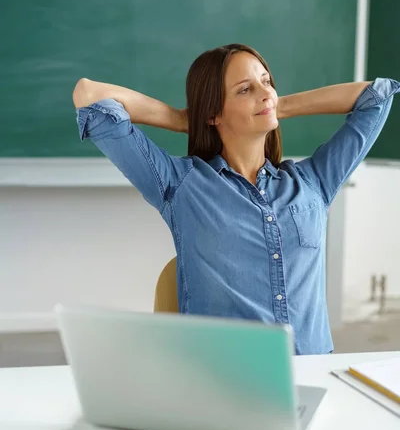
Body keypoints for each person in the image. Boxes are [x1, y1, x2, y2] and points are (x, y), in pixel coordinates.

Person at [73, 43, 399, 355]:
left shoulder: (313, 182)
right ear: (214, 113)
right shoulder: (181, 184)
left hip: (313, 369)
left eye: (266, 81)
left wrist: (277, 105)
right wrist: (182, 118)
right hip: (226, 380)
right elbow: (89, 95)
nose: (264, 92)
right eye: (245, 89)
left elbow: (377, 98)